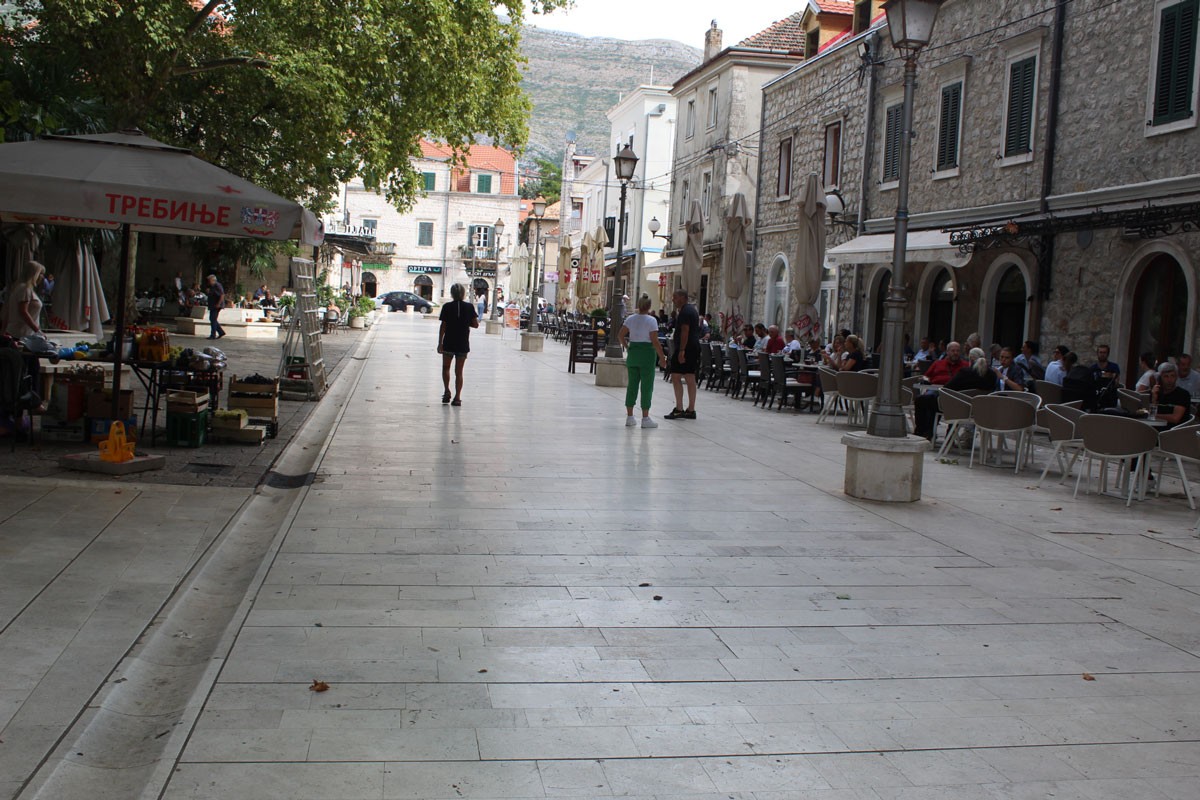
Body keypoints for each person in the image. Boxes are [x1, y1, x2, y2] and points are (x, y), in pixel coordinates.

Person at [914, 347, 991, 439]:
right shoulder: (992, 375)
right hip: (979, 411)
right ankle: (945, 434)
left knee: (922, 400)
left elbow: (947, 388)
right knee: (932, 400)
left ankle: (923, 431)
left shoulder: (965, 372)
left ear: (971, 359)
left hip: (957, 407)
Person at [619, 296, 668, 428]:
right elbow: (655, 341)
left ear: (639, 305)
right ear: (649, 306)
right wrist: (662, 358)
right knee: (646, 386)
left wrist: (627, 347)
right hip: (647, 355)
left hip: (633, 353)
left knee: (632, 385)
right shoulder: (651, 320)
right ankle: (645, 418)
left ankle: (630, 416)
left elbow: (620, 335)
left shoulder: (630, 319)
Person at [437, 283, 479, 406]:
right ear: (463, 293)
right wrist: (464, 323)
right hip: (462, 342)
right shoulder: (469, 307)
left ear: (452, 294)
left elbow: (443, 326)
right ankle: (457, 397)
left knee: (446, 368)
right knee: (459, 371)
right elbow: (475, 324)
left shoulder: (447, 307)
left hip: (449, 342)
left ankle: (446, 391)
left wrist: (440, 343)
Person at [665, 289, 700, 420]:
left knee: (675, 376)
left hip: (687, 348)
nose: (673, 300)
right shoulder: (692, 310)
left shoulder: (685, 312)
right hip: (693, 347)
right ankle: (691, 409)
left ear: (682, 298)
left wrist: (681, 350)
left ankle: (679, 408)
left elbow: (685, 331)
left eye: (675, 297)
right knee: (690, 377)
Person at [1, 260, 46, 339]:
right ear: (35, 274)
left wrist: (3, 330)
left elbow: (8, 311)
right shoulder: (25, 289)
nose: (42, 277)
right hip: (21, 334)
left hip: (19, 333)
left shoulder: (19, 287)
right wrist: (38, 331)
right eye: (41, 274)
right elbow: (23, 311)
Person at [1151, 361, 1191, 428]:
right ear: (1160, 378)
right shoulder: (1156, 392)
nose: (1169, 380)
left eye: (1172, 376)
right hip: (1155, 429)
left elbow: (1175, 418)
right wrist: (1154, 398)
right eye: (1166, 376)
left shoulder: (1182, 394)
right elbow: (1148, 413)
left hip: (1173, 432)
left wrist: (1154, 415)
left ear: (1176, 377)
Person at [204, 274, 226, 339]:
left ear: (213, 280)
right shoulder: (211, 286)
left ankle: (213, 335)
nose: (208, 282)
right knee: (212, 319)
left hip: (216, 305)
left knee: (213, 319)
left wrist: (218, 304)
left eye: (209, 281)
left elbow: (222, 295)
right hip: (212, 305)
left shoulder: (217, 285)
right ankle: (221, 332)